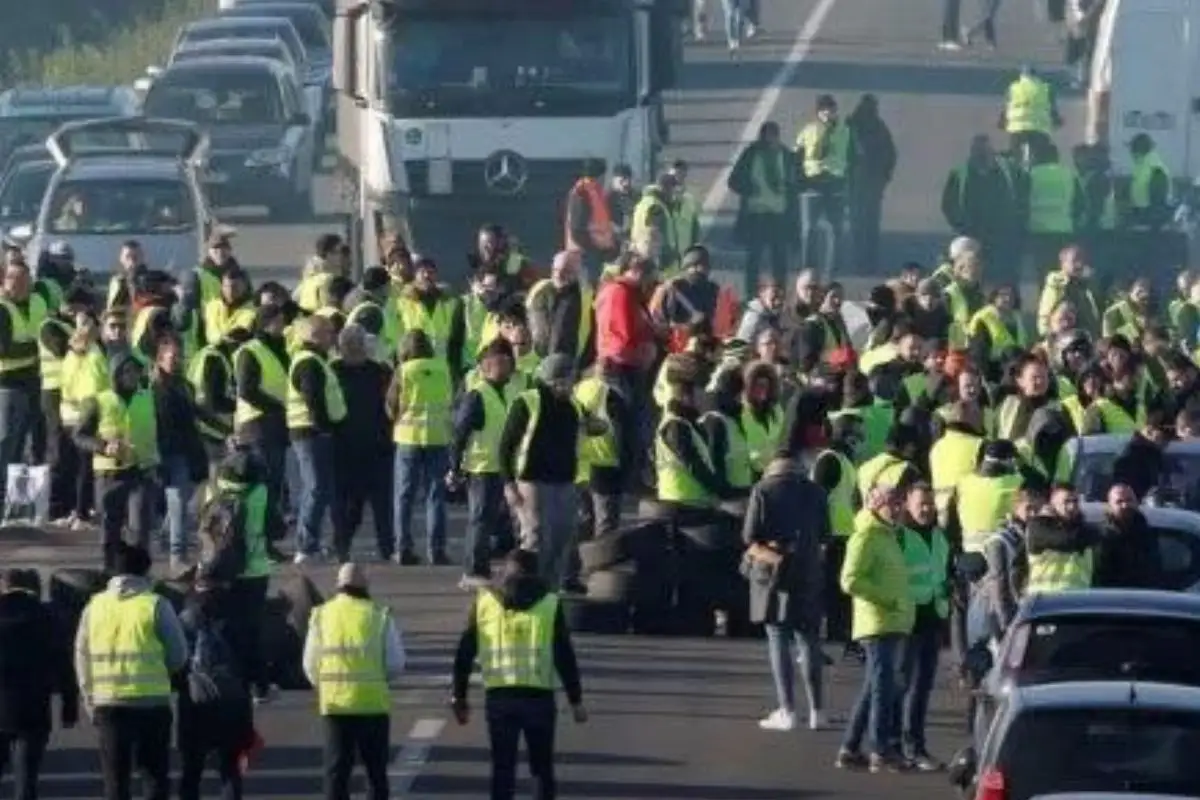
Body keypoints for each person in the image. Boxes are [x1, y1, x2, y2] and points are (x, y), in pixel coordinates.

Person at [451, 549, 586, 800]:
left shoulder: (484, 602)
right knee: (542, 769)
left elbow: (464, 653)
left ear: (506, 571)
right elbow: (564, 655)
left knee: (503, 769)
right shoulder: (549, 603)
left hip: (500, 697)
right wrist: (575, 699)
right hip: (539, 698)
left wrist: (459, 697)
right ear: (536, 573)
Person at [74, 544, 188, 800]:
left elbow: (81, 658)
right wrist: (162, 674)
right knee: (155, 777)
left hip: (109, 704)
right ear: (146, 571)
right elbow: (179, 655)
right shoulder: (156, 605)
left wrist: (89, 700)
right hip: (152, 704)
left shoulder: (94, 607)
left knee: (115, 782)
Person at [741, 446, 830, 732]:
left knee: (778, 636)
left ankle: (787, 710)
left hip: (774, 573)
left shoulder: (763, 490)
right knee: (809, 639)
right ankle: (818, 711)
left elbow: (749, 536)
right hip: (808, 570)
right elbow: (825, 533)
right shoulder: (817, 492)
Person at [303, 563, 406, 800]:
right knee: (376, 774)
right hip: (372, 706)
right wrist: (377, 679)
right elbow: (395, 663)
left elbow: (310, 665)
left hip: (335, 706)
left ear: (338, 587)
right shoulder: (379, 616)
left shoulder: (322, 615)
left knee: (336, 773)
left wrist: (327, 685)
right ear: (365, 587)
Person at [499, 354, 600, 589]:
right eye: (566, 381)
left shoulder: (573, 405)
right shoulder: (527, 401)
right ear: (553, 381)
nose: (571, 386)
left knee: (562, 538)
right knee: (535, 537)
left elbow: (595, 427)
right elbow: (506, 445)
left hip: (564, 481)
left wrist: (596, 424)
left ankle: (551, 591)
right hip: (532, 481)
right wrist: (508, 484)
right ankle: (522, 587)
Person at [836, 485, 915, 773]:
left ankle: (849, 747)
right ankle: (880, 750)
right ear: (876, 505)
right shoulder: (867, 535)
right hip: (877, 622)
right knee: (883, 686)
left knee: (874, 686)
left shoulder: (889, 535)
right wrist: (887, 599)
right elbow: (850, 579)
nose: (896, 509)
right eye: (891, 504)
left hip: (892, 620)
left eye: (899, 504)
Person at [74, 352, 160, 572]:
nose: (132, 376)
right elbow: (79, 435)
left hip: (140, 471)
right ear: (116, 374)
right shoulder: (98, 401)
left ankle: (140, 573)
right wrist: (103, 446)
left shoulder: (147, 397)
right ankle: (110, 571)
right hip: (109, 475)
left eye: (135, 371)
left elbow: (161, 429)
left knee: (139, 528)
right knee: (110, 528)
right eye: (127, 371)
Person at [176, 570, 254, 800]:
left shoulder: (185, 617)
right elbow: (251, 656)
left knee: (191, 768)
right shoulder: (238, 614)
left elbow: (175, 657)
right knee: (230, 768)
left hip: (195, 698)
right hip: (233, 698)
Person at [0, 568, 77, 799]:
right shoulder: (48, 618)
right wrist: (69, 708)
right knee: (27, 778)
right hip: (33, 707)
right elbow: (64, 665)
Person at [449, 338, 517, 586]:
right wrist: (454, 467)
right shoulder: (477, 395)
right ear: (488, 367)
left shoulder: (508, 392)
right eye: (502, 363)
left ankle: (485, 567)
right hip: (482, 468)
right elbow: (460, 433)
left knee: (494, 521)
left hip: (502, 467)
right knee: (480, 520)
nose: (508, 367)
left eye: (509, 362)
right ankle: (473, 571)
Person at [894, 483, 951, 771]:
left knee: (922, 687)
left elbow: (940, 573)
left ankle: (913, 745)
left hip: (932, 618)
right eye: (921, 504)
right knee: (904, 686)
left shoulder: (939, 536)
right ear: (907, 504)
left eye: (931, 504)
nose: (927, 509)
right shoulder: (900, 536)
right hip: (905, 620)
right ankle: (901, 746)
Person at [387, 330, 454, 566]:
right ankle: (437, 549)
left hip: (408, 437)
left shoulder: (403, 371)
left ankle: (402, 547)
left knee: (404, 495)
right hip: (438, 436)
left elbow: (392, 405)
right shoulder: (442, 368)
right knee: (436, 495)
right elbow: (450, 398)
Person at [331, 324, 394, 563]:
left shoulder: (379, 372)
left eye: (359, 342)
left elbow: (392, 403)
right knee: (349, 505)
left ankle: (388, 548)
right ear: (342, 346)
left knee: (383, 505)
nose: (356, 347)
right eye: (351, 343)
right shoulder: (333, 371)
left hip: (378, 446)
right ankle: (341, 545)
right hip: (344, 447)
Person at [287, 314, 347, 563]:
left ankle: (309, 541)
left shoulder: (314, 360)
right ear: (314, 335)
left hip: (311, 431)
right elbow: (313, 399)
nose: (332, 337)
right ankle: (305, 544)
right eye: (328, 332)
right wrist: (324, 427)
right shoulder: (310, 362)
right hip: (311, 432)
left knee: (317, 488)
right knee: (315, 488)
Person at [151, 335, 208, 571]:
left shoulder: (185, 385)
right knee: (178, 505)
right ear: (160, 359)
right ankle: (178, 555)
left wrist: (225, 430)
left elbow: (198, 413)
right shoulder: (154, 388)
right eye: (171, 357)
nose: (175, 361)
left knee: (182, 500)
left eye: (178, 357)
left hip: (188, 448)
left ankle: (166, 537)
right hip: (167, 450)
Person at [728, 121, 798, 297]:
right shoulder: (751, 154)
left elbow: (798, 183)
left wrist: (791, 187)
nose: (770, 141)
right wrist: (749, 188)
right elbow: (733, 180)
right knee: (754, 260)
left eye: (773, 136)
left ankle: (779, 295)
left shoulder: (786, 155)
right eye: (767, 137)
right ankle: (751, 296)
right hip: (756, 215)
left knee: (780, 261)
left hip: (779, 216)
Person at [0, 258, 45, 519]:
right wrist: (35, 347)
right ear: (4, 280)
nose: (19, 284)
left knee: (27, 446)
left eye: (24, 279)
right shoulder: (2, 308)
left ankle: (17, 504)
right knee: (6, 444)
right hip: (6, 383)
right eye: (13, 279)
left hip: (33, 381)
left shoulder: (38, 302)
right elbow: (4, 349)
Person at [796, 94, 853, 277]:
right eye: (824, 110)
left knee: (836, 229)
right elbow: (796, 154)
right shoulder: (809, 130)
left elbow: (853, 156)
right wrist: (800, 181)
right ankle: (807, 269)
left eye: (831, 109)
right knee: (808, 229)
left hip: (835, 182)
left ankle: (833, 270)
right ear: (818, 112)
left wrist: (848, 179)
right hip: (813, 183)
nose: (828, 113)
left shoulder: (845, 131)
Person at [847, 94, 897, 273]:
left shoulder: (865, 125)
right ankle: (866, 261)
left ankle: (865, 261)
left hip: (866, 184)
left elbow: (890, 154)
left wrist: (884, 176)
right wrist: (885, 176)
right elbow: (891, 153)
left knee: (863, 224)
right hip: (862, 183)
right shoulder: (865, 126)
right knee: (867, 224)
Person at [1093, 483, 1164, 589]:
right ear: (1110, 505)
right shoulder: (1101, 536)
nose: (1125, 505)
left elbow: (1154, 569)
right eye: (1119, 502)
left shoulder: (1146, 533)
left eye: (1129, 500)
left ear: (1136, 502)